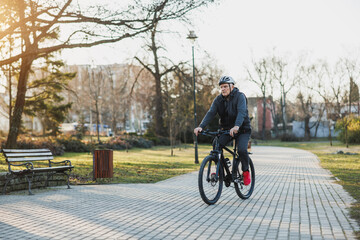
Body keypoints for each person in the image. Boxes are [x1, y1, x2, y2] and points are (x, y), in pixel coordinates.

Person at [194, 76, 252, 185]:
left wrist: (237, 126)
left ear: (232, 86)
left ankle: (245, 172)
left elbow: (241, 112)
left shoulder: (240, 97)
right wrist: (201, 126)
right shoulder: (218, 100)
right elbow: (211, 113)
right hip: (226, 130)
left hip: (242, 129)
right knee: (216, 144)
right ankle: (219, 170)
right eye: (221, 87)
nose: (223, 89)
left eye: (225, 86)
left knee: (242, 150)